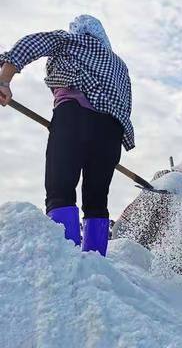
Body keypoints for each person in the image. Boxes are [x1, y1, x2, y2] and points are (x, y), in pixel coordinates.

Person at [0, 15, 134, 257]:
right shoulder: (120, 65)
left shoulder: (71, 40)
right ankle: (95, 264)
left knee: (60, 191)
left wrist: (4, 79)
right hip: (112, 132)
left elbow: (31, 44)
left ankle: (66, 260)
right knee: (97, 201)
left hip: (75, 116)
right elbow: (126, 105)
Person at [112, 157, 182, 250]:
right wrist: (171, 179)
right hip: (128, 226)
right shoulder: (164, 177)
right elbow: (160, 182)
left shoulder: (181, 195)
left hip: (146, 237)